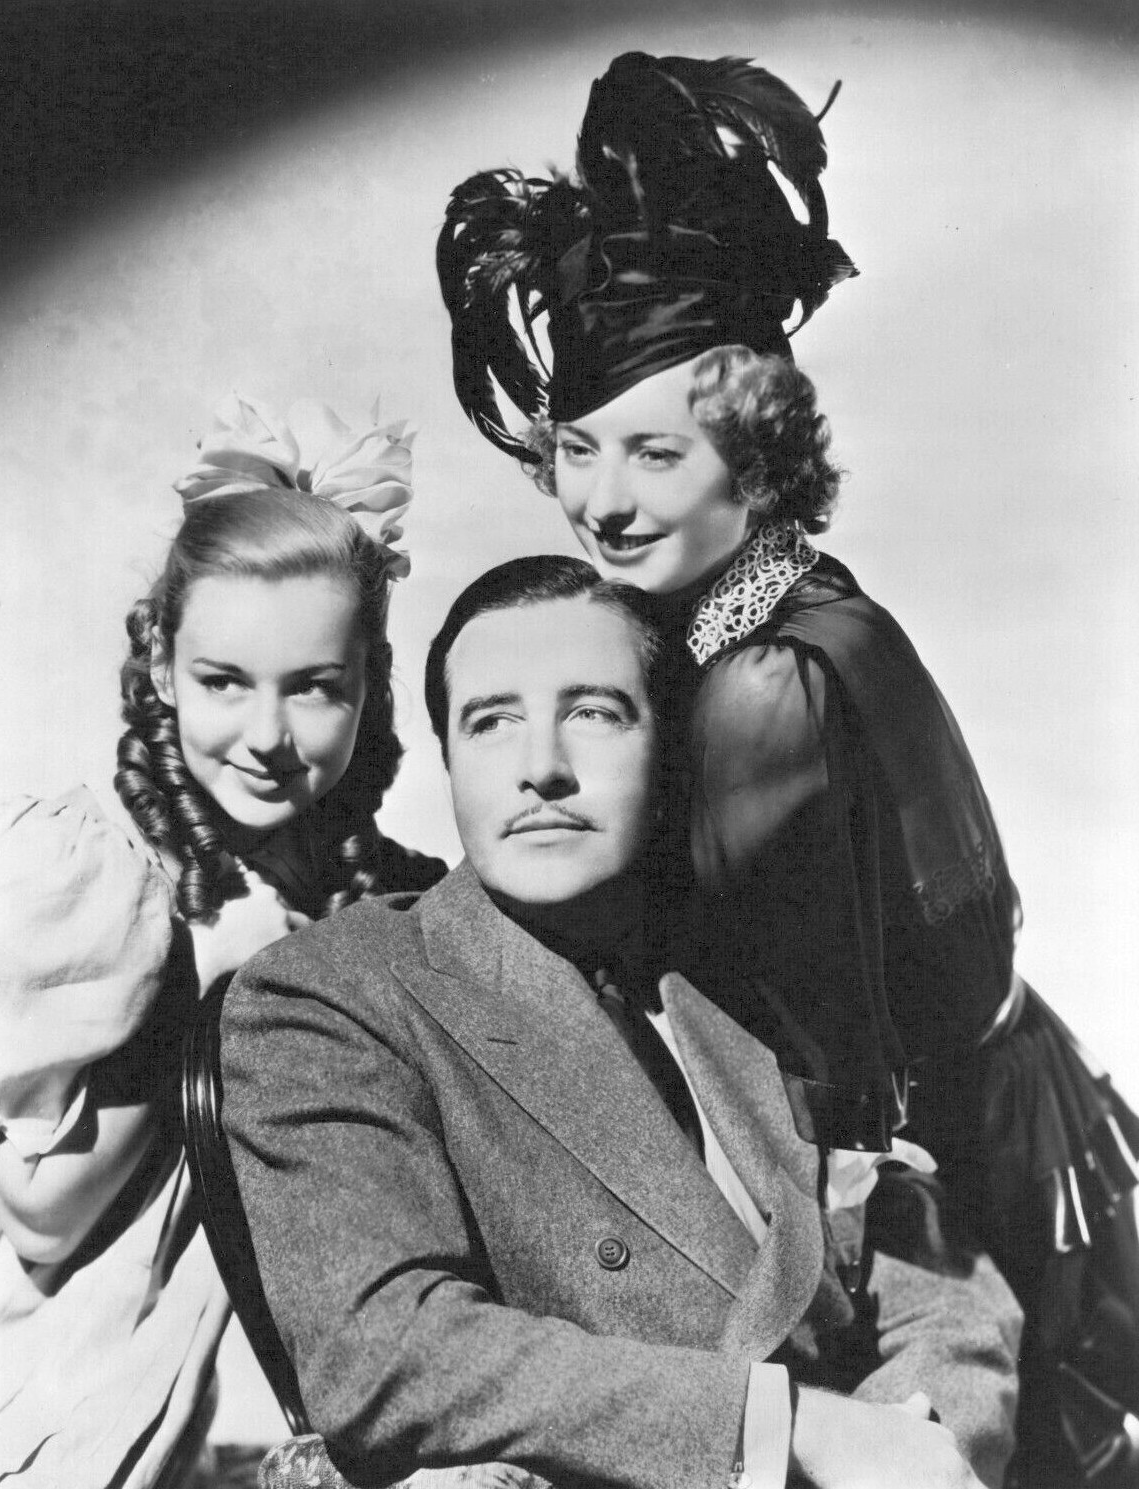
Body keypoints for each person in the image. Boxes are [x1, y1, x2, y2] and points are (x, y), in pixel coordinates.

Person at [435, 51, 1139, 1485]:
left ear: (751, 461)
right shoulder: (761, 610)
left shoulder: (767, 686)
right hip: (964, 1118)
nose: (601, 502)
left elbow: (695, 982)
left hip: (954, 1183)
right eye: (577, 450)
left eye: (653, 453)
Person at [220, 553, 1024, 1489]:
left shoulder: (754, 977)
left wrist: (913, 1441)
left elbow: (939, 1289)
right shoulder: (330, 992)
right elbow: (387, 1351)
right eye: (490, 721)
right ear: (448, 758)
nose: (541, 769)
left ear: (669, 746)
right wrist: (790, 1431)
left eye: (594, 713)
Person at [0, 394, 442, 1488]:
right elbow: (44, 1215)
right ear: (163, 665)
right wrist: (204, 976)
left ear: (369, 685)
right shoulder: (102, 886)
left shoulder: (397, 901)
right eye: (224, 682)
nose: (267, 737)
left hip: (303, 1424)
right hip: (62, 1411)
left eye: (315, 688)